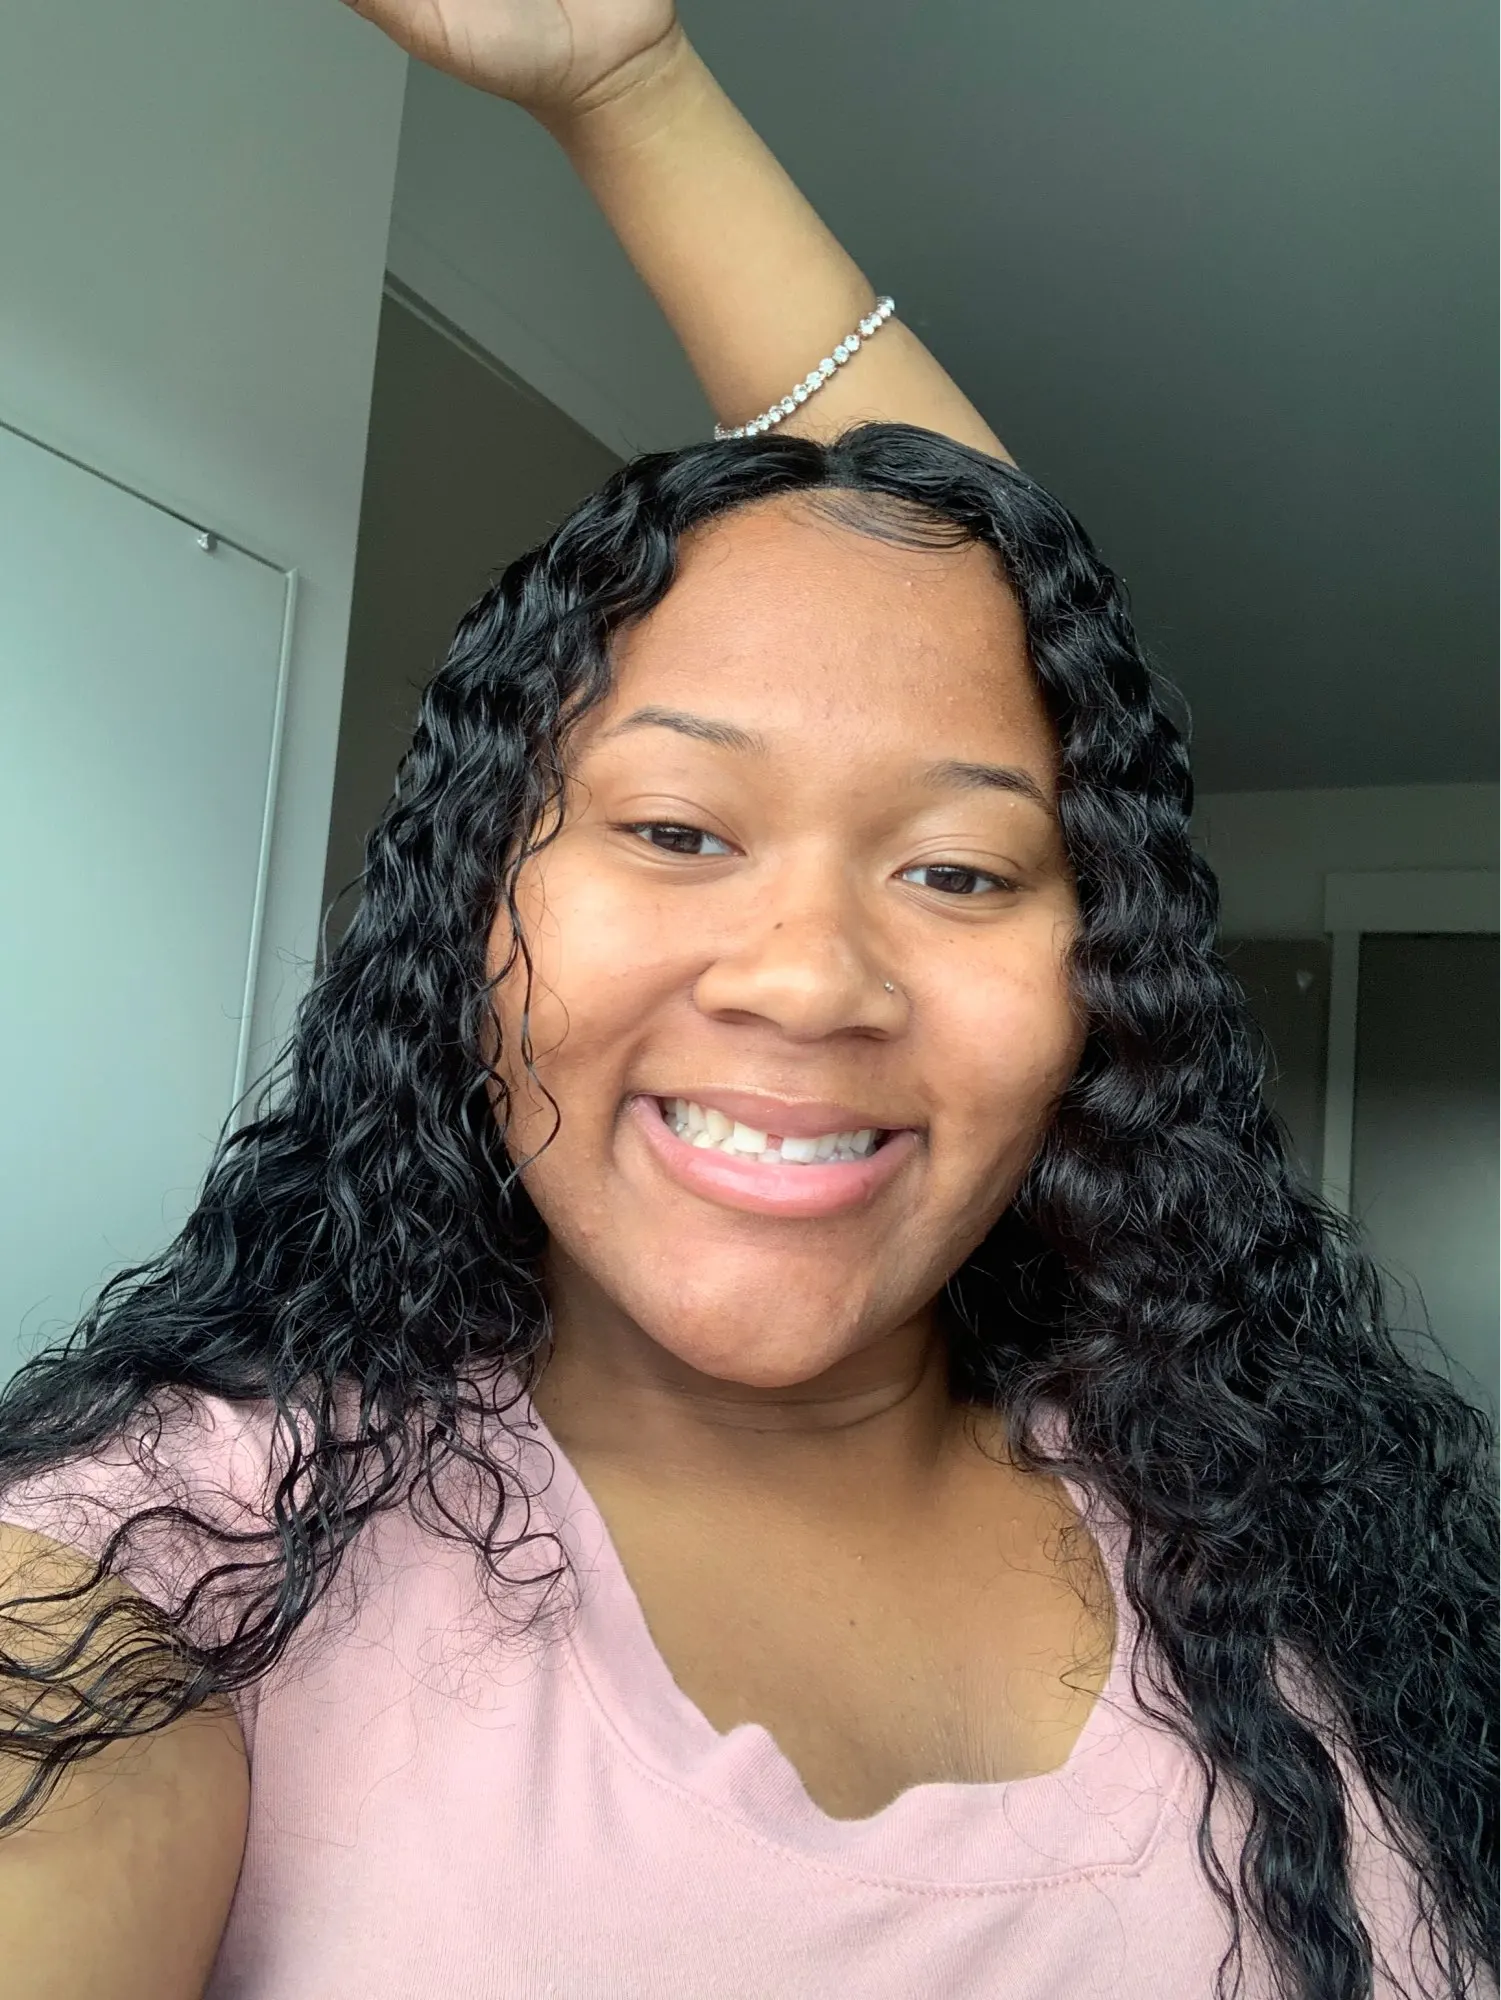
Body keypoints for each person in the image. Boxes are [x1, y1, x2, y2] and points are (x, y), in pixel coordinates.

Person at [0, 4, 1493, 1997]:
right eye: (678, 829)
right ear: (469, 914)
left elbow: (1009, 640)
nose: (808, 976)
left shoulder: (1278, 1534)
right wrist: (620, 88)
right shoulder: (166, 1583)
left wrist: (632, 85)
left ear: (1102, 983)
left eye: (958, 872)